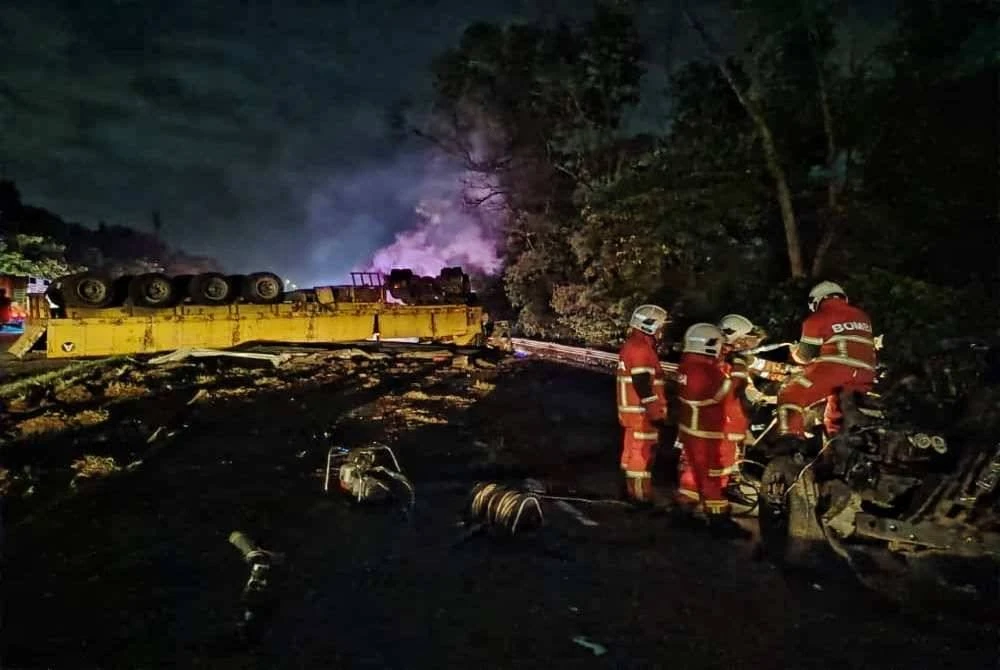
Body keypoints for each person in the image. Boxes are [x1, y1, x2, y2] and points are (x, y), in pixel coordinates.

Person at [776, 281, 877, 442]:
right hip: (866, 374)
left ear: (816, 301)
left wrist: (795, 351)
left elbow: (806, 356)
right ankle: (835, 447)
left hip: (835, 370)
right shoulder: (862, 316)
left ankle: (791, 441)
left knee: (790, 394)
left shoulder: (816, 318)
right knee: (835, 413)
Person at [675, 323, 748, 537]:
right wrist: (739, 374)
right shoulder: (705, 370)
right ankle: (718, 521)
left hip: (694, 431)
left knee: (693, 473)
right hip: (708, 433)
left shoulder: (688, 365)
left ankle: (683, 510)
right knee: (713, 478)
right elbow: (725, 392)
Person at [616, 304, 670, 504]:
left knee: (630, 454)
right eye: (660, 326)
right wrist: (656, 413)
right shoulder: (641, 349)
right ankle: (640, 498)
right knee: (641, 457)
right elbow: (642, 384)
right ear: (650, 326)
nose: (662, 330)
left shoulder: (633, 345)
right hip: (642, 415)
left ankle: (627, 490)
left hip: (632, 414)